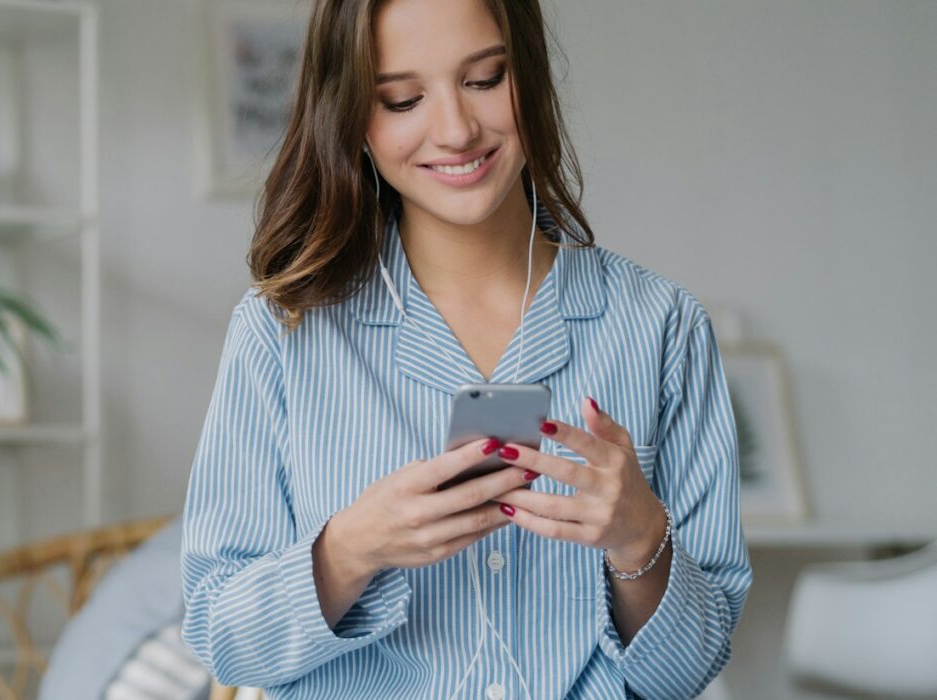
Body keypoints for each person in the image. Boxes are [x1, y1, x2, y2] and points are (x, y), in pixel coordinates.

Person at [178, 0, 752, 698]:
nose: (454, 130)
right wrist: (350, 550)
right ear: (355, 115)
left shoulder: (662, 327)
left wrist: (639, 543)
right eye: (402, 98)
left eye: (484, 79)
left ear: (530, 77)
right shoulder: (280, 332)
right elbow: (226, 646)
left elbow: (687, 672)